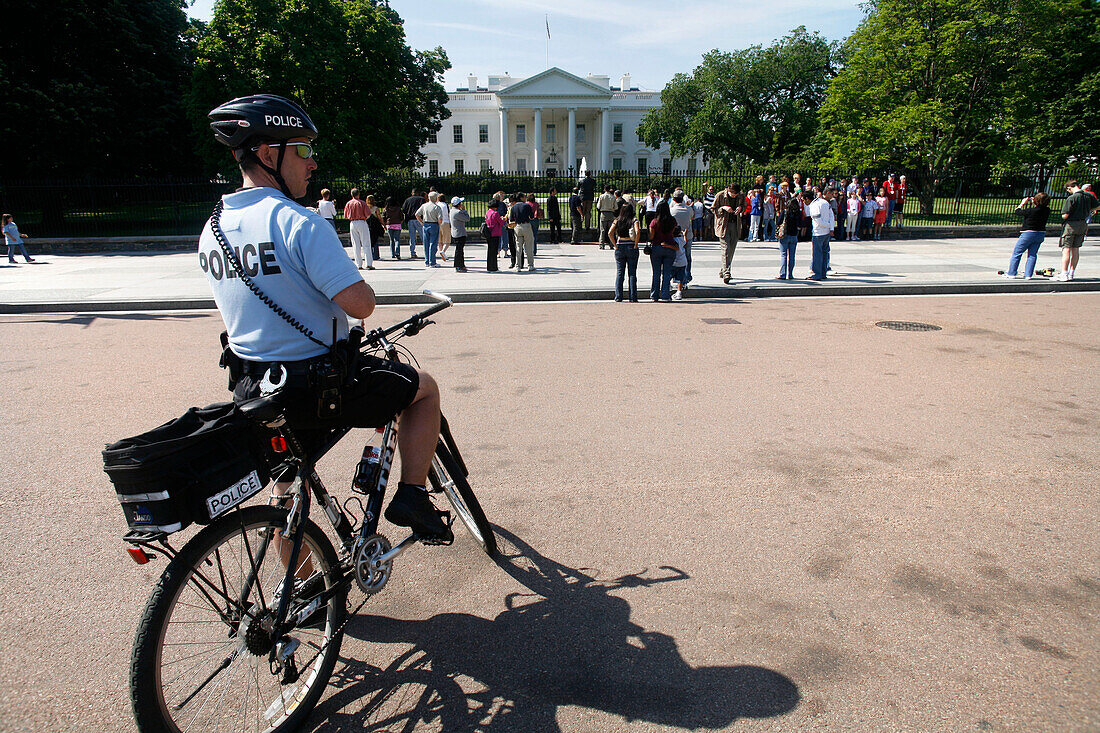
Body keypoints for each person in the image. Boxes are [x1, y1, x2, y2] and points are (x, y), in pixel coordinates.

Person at [203, 93, 449, 539]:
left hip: (253, 383)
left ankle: (299, 599)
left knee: (287, 486)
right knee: (425, 390)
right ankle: (413, 495)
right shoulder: (298, 221)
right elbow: (361, 304)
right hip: (317, 384)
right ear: (266, 154)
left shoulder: (214, 226)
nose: (312, 163)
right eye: (303, 149)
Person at [1003, 193, 1051, 279]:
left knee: (1017, 253)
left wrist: (1022, 203)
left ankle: (1011, 273)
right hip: (1040, 233)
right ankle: (1028, 274)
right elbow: (1040, 207)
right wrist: (1035, 201)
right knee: (1032, 255)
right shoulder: (1047, 210)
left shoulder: (1030, 211)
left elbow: (1017, 212)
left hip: (1028, 233)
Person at [1057, 180, 1098, 280]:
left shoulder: (1072, 198)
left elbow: (1065, 215)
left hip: (1071, 224)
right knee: (1076, 249)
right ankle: (1071, 273)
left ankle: (1064, 273)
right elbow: (1097, 206)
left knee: (1066, 249)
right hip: (1083, 223)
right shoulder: (1089, 196)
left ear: (1069, 188)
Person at [609, 202, 640, 302]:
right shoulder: (634, 219)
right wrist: (635, 244)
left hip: (620, 246)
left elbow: (610, 232)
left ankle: (618, 296)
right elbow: (638, 231)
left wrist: (615, 245)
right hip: (631, 246)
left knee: (620, 273)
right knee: (632, 273)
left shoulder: (618, 220)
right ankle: (633, 297)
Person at [712, 182, 743, 283]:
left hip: (735, 224)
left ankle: (723, 269)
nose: (735, 196)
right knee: (725, 248)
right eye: (733, 195)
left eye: (736, 195)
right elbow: (713, 209)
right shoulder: (720, 195)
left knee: (731, 249)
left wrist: (740, 208)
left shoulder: (740, 195)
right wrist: (723, 208)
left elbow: (744, 204)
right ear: (728, 191)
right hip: (723, 225)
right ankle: (727, 273)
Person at [648, 201, 678, 302]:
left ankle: (654, 295)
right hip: (669, 246)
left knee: (656, 273)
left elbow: (651, 236)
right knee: (667, 273)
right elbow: (672, 233)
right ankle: (665, 294)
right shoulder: (672, 221)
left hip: (657, 247)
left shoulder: (655, 222)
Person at [807, 188, 836, 280]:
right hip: (826, 233)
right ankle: (823, 273)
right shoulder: (825, 203)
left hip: (818, 232)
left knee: (817, 254)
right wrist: (831, 227)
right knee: (824, 253)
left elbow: (818, 220)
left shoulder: (814, 205)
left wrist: (827, 225)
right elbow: (832, 216)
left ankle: (817, 274)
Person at [669, 190, 694, 292]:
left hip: (674, 236)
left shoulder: (672, 210)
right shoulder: (688, 209)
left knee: (673, 259)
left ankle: (672, 279)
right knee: (687, 258)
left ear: (674, 199)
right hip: (687, 236)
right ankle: (685, 279)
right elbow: (692, 216)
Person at [343, 188, 374, 270]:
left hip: (352, 223)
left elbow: (345, 215)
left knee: (355, 244)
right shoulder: (362, 203)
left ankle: (358, 264)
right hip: (361, 221)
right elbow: (368, 214)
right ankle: (368, 263)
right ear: (358, 194)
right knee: (366, 243)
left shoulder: (348, 203)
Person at [777, 190, 802, 280]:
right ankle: (790, 274)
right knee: (792, 256)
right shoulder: (798, 213)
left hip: (785, 235)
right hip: (794, 235)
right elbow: (800, 224)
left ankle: (782, 274)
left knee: (783, 255)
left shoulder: (785, 212)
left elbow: (778, 222)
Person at [415, 192, 444, 268]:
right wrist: (439, 224)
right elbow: (440, 219)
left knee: (426, 244)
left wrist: (422, 222)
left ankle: (427, 261)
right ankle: (432, 262)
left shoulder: (424, 205)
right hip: (434, 224)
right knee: (433, 244)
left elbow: (417, 214)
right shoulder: (437, 207)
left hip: (426, 224)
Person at [509, 192, 535, 271]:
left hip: (517, 226)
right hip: (526, 225)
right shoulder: (527, 206)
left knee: (518, 247)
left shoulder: (513, 207)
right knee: (529, 246)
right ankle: (530, 265)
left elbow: (511, 219)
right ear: (521, 198)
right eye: (524, 197)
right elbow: (531, 217)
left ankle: (518, 265)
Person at [401, 188, 425, 260]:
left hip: (410, 220)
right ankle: (427, 251)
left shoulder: (407, 200)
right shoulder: (421, 199)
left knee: (412, 237)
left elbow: (404, 210)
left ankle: (412, 252)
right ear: (418, 193)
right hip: (419, 219)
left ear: (412, 193)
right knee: (423, 236)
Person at [448, 196, 469, 273]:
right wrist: (464, 210)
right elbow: (467, 218)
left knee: (459, 250)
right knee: (459, 251)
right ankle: (458, 265)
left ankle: (461, 264)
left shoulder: (452, 211)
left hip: (455, 232)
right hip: (460, 233)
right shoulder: (458, 212)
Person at [484, 195, 504, 272]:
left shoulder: (488, 213)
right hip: (495, 233)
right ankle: (494, 267)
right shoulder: (495, 213)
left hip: (489, 232)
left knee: (490, 251)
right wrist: (502, 219)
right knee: (494, 251)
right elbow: (501, 223)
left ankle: (489, 266)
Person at [579, 171, 596, 237]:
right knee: (588, 212)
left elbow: (579, 188)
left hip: (583, 197)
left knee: (582, 212)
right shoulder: (592, 181)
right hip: (590, 198)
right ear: (590, 174)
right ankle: (587, 226)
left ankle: (580, 224)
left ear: (585, 174)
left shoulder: (582, 181)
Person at [436, 193, 451, 262]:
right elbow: (449, 215)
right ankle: (443, 252)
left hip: (437, 222)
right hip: (446, 222)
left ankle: (442, 253)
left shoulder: (436, 205)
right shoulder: (447, 206)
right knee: (447, 240)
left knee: (440, 240)